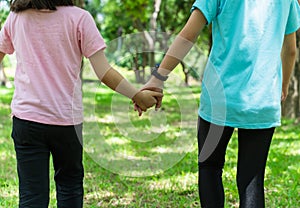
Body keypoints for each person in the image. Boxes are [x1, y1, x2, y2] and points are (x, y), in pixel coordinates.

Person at [0, 0, 162, 207]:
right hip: (66, 123)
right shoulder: (79, 18)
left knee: (31, 195)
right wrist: (137, 96)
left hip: (27, 121)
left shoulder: (17, 17)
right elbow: (103, 72)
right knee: (69, 186)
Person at [140, 0, 300, 207]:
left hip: (219, 98)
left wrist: (157, 79)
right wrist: (284, 85)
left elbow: (188, 35)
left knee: (210, 167)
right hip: (262, 98)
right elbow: (290, 50)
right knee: (252, 180)